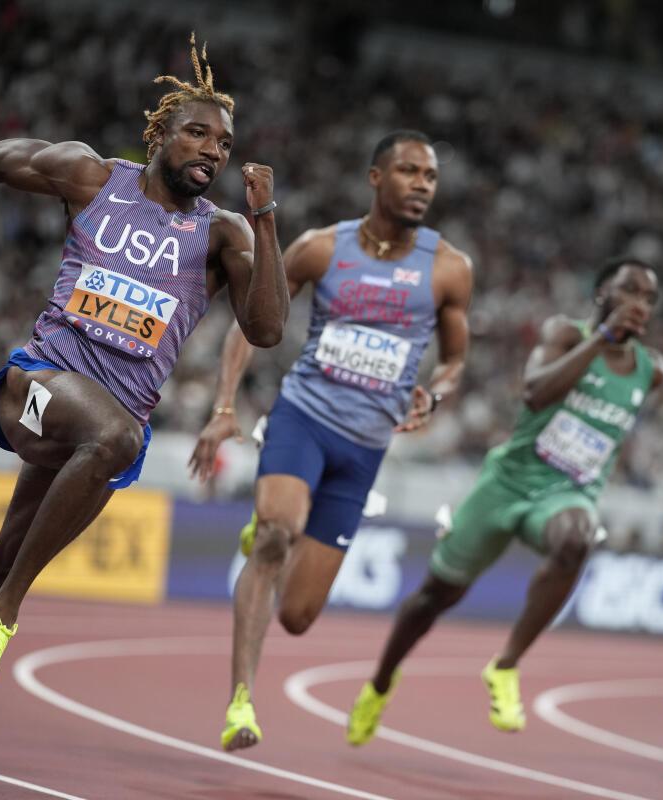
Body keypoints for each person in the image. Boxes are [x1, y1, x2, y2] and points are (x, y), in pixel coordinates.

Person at [0, 35, 289, 721]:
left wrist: (267, 220)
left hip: (99, 431)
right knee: (119, 441)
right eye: (197, 134)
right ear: (160, 134)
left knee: (2, 559)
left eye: (223, 144)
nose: (213, 152)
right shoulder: (94, 178)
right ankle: (5, 618)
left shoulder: (223, 235)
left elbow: (269, 330)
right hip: (39, 384)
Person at [188, 130, 473, 751]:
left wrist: (437, 393)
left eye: (430, 175)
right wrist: (224, 406)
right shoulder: (323, 248)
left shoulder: (449, 268)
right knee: (273, 539)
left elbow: (454, 359)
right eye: (409, 171)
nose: (422, 184)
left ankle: (275, 526)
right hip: (304, 419)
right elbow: (252, 317)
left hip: (364, 451)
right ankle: (241, 701)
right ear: (376, 177)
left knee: (297, 617)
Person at [345, 258, 663, 745]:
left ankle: (506, 665)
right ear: (602, 293)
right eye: (629, 291)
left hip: (568, 492)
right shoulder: (566, 334)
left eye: (648, 298)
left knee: (578, 539)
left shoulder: (652, 370)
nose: (639, 304)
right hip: (508, 482)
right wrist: (602, 338)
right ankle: (380, 683)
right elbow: (535, 393)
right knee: (436, 596)